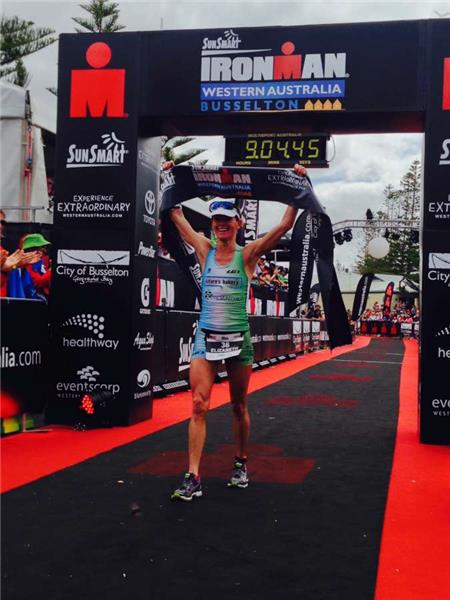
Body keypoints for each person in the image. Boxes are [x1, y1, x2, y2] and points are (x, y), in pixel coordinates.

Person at [166, 162, 307, 501]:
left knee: (238, 404)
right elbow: (174, 214)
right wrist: (166, 174)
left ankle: (241, 462)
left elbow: (286, 223)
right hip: (206, 336)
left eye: (227, 219)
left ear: (238, 223)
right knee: (199, 404)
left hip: (238, 338)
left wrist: (299, 184)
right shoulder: (204, 249)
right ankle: (193, 476)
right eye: (216, 220)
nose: (221, 225)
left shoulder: (249, 254)